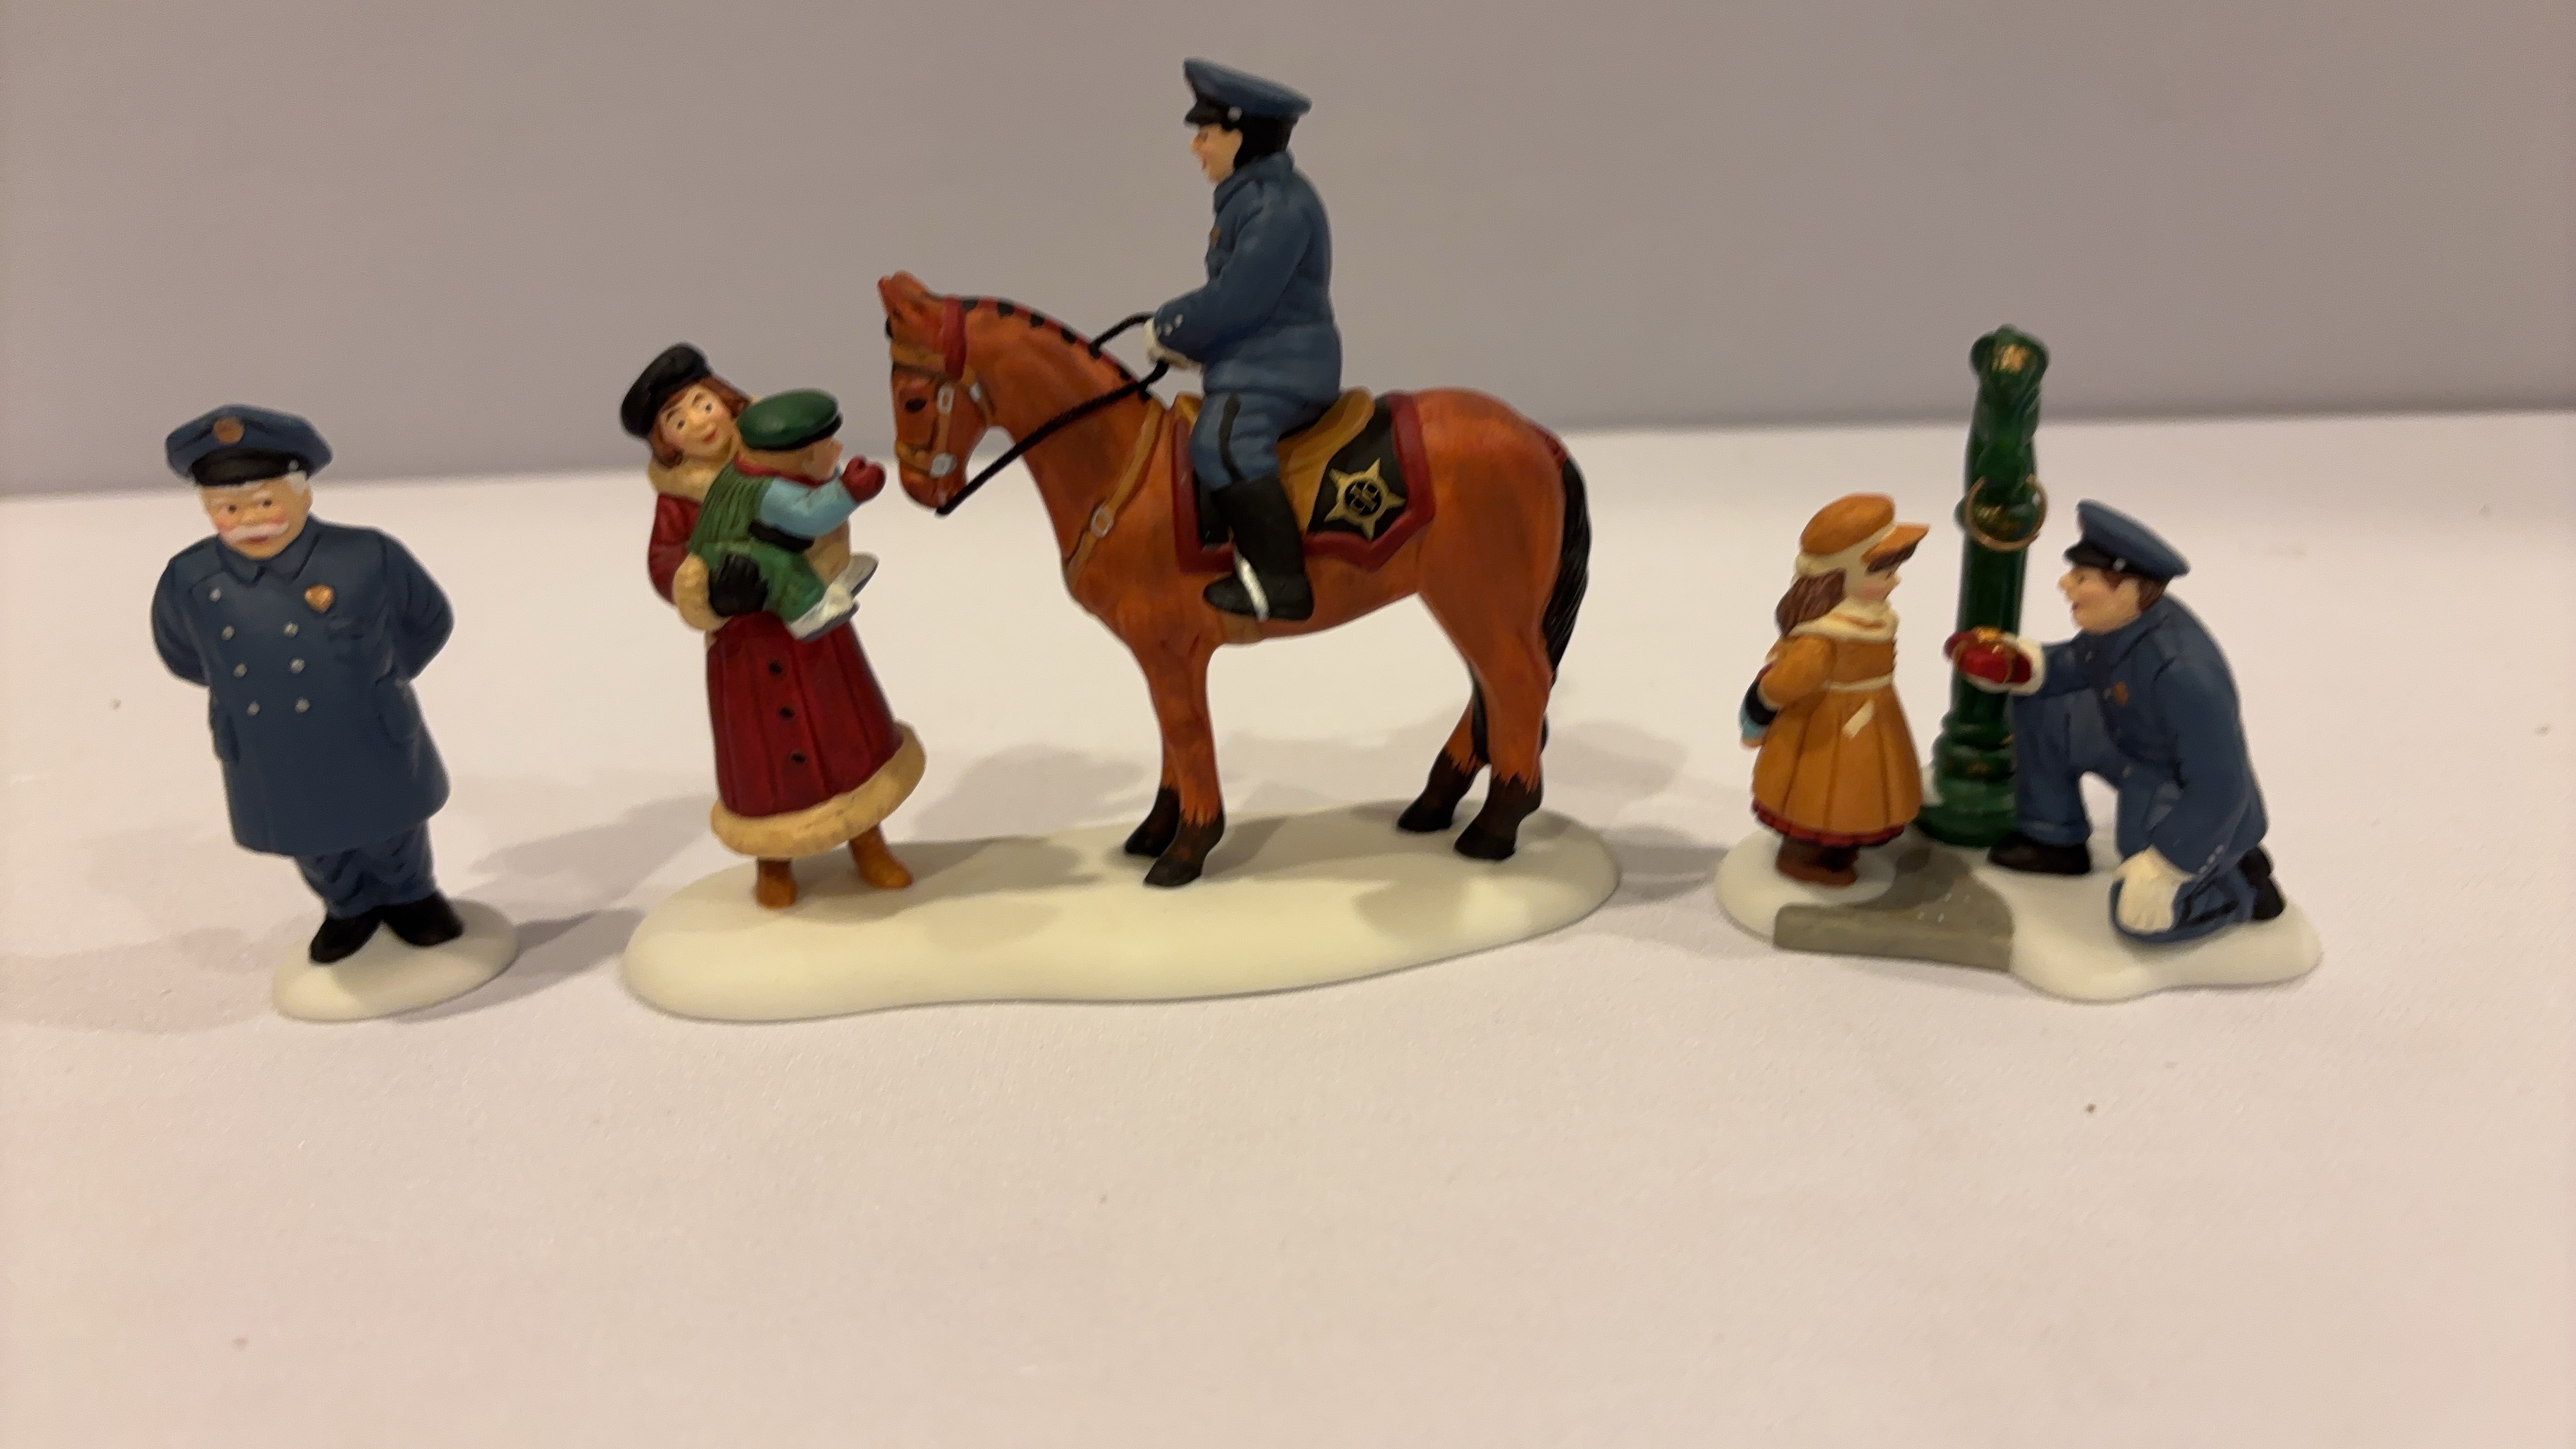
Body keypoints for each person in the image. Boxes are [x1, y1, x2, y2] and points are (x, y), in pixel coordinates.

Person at [150, 406, 466, 963]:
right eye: (227, 508)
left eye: (264, 502)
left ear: (302, 496)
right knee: (309, 834)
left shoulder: (366, 555)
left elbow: (427, 621)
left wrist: (374, 680)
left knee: (390, 825)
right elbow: (183, 653)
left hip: (366, 726)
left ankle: (412, 896)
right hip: (268, 740)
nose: (249, 519)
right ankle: (347, 906)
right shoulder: (190, 578)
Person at [622, 345, 922, 909]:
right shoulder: (678, 500)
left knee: (844, 732)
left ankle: (868, 840)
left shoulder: (776, 450)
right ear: (668, 443)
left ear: (726, 400)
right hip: (746, 645)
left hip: (814, 629)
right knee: (762, 757)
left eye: (703, 405)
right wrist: (708, 589)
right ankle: (773, 862)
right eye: (678, 422)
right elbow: (664, 562)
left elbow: (818, 497)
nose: (699, 424)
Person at [1949, 501, 2285, 943]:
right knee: (2045, 700)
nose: (2065, 585)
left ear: (2127, 588)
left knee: (2141, 916)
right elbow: (2076, 663)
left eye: (2081, 578)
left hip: (2179, 787)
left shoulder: (2185, 673)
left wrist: (2168, 865)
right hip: (2128, 745)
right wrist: (2014, 665)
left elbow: (2221, 786)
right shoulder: (2120, 626)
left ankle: (2241, 888)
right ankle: (2053, 838)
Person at [1145, 57, 1340, 623]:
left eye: (1206, 133)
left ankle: (1280, 582)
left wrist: (1173, 325)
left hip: (1281, 369)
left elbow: (1239, 299)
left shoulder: (1277, 208)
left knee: (1223, 443)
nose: (1196, 147)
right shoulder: (1249, 198)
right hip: (1258, 359)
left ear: (1242, 136)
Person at [1739, 495, 1929, 886]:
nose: (1895, 580)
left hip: (1871, 715)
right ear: (1837, 578)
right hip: (1824, 725)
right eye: (1883, 572)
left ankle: (1839, 846)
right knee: (1817, 790)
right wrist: (1763, 704)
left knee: (1859, 788)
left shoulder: (1871, 620)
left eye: (1893, 570)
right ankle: (1805, 856)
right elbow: (1789, 681)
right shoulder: (1824, 637)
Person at [684, 388, 883, 640]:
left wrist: (844, 486)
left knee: (834, 530)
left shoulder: (802, 473)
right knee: (778, 562)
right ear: (803, 457)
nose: (839, 448)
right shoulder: (765, 489)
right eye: (829, 446)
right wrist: (850, 491)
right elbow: (809, 517)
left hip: (775, 536)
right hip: (733, 553)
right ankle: (805, 612)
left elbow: (825, 497)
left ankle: (836, 574)